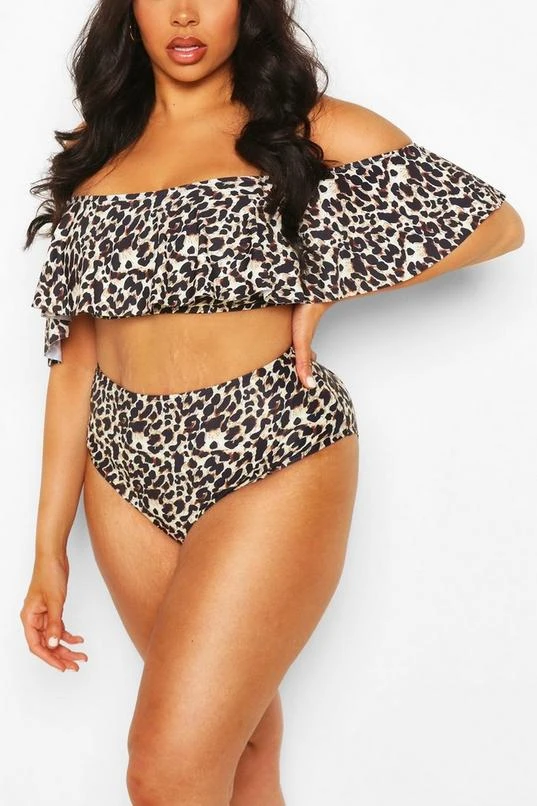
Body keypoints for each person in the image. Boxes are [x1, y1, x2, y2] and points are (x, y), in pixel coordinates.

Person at [19, 1, 524, 804]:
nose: (185, 14)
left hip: (272, 449)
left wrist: (335, 283)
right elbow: (75, 361)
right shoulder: (99, 145)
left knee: (164, 770)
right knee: (244, 746)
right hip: (123, 469)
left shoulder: (303, 127)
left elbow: (493, 224)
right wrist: (48, 550)